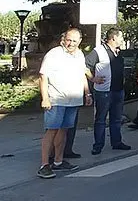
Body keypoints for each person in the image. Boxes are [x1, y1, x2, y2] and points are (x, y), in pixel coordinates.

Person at [37, 28, 91, 178]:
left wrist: (87, 93)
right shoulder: (54, 54)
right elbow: (43, 76)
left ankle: (58, 162)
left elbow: (82, 75)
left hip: (73, 100)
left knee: (64, 130)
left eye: (74, 41)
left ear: (79, 41)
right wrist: (45, 98)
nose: (71, 43)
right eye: (68, 40)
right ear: (63, 39)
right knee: (51, 130)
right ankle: (44, 165)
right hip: (56, 99)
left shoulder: (79, 55)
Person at [85, 28, 131, 155]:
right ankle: (98, 145)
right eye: (121, 37)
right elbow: (85, 66)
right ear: (113, 38)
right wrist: (93, 78)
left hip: (118, 90)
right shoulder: (99, 51)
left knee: (116, 118)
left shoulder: (118, 52)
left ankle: (116, 142)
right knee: (100, 119)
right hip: (104, 91)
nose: (122, 40)